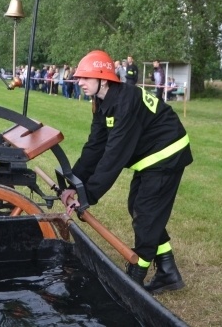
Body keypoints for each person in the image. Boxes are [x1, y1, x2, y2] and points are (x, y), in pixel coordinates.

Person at [60, 50, 192, 294]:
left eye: (85, 78)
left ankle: (135, 277)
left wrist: (87, 195)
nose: (79, 82)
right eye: (79, 78)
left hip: (166, 153)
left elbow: (114, 156)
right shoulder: (102, 102)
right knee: (140, 209)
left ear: (103, 78)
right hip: (149, 157)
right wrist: (74, 183)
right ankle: (167, 271)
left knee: (146, 212)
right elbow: (94, 147)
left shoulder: (125, 101)